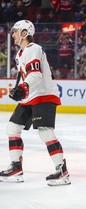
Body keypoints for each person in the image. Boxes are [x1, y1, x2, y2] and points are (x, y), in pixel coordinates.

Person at [0, 20, 71, 186]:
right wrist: (20, 88)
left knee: (46, 132)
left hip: (44, 95)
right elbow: (27, 76)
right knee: (12, 128)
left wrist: (22, 87)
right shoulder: (21, 54)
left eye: (16, 31)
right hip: (30, 96)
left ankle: (62, 170)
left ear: (25, 33)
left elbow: (36, 75)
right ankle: (16, 167)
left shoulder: (34, 48)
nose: (13, 34)